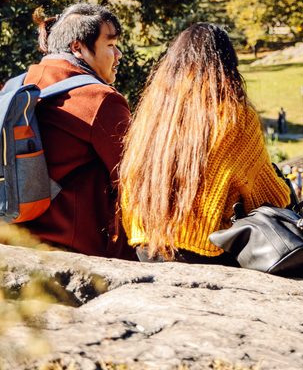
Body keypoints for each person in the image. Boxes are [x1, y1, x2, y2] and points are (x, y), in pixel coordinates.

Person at [0, 3, 135, 260]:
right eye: (110, 45)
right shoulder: (100, 99)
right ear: (77, 47)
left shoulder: (16, 87)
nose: (118, 55)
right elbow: (136, 177)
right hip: (57, 251)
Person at [117, 23, 292, 264]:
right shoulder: (234, 116)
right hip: (203, 251)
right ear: (228, 65)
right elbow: (267, 197)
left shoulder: (154, 113)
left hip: (146, 245)